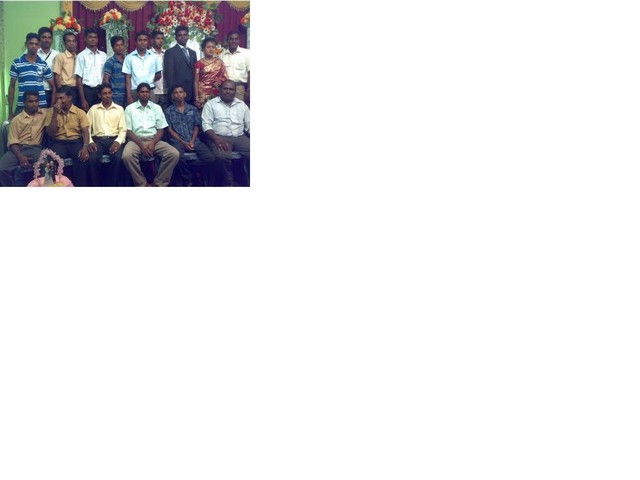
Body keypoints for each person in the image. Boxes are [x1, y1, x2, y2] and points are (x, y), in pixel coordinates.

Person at [122, 83, 179, 187]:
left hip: (154, 140)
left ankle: (158, 183)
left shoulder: (156, 108)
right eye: (142, 92)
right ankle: (142, 184)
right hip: (135, 141)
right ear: (138, 94)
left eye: (147, 92)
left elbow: (161, 129)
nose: (145, 94)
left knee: (173, 154)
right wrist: (141, 145)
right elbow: (128, 131)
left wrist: (153, 143)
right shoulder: (130, 108)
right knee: (126, 156)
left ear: (149, 93)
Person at [165, 84, 217, 186]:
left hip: (194, 140)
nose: (179, 94)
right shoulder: (168, 111)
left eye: (181, 92)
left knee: (210, 158)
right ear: (172, 96)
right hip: (177, 141)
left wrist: (192, 141)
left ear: (185, 94)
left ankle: (191, 168)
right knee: (177, 157)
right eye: (176, 93)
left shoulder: (193, 109)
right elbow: (169, 129)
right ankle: (188, 179)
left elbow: (196, 126)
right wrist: (183, 142)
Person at [202, 80, 250, 186]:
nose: (228, 91)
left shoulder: (242, 105)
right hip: (219, 137)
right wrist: (216, 139)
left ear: (235, 91)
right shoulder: (211, 104)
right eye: (225, 89)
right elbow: (206, 125)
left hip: (240, 137)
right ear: (220, 90)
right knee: (222, 157)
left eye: (231, 89)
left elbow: (249, 124)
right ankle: (228, 183)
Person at [45, 86, 92, 186]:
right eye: (57, 98)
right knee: (51, 159)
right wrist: (55, 114)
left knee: (82, 157)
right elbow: (50, 133)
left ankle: (80, 186)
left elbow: (85, 132)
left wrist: (85, 147)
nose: (58, 101)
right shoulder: (51, 112)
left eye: (61, 98)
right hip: (58, 142)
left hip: (75, 141)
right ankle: (53, 186)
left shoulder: (80, 112)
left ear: (69, 98)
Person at [0, 91, 48, 187]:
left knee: (45, 166)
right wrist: (20, 156)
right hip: (17, 149)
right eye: (30, 101)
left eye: (36, 101)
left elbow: (56, 109)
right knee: (2, 168)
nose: (34, 104)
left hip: (35, 148)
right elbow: (13, 141)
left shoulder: (44, 113)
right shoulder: (16, 120)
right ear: (24, 103)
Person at [86, 83, 126, 187]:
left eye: (109, 93)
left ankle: (112, 185)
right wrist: (90, 142)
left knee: (117, 158)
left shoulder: (119, 109)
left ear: (112, 94)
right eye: (104, 93)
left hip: (114, 140)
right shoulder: (93, 109)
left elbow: (123, 130)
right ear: (100, 95)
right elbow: (87, 129)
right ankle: (96, 186)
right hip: (97, 141)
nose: (107, 95)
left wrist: (118, 142)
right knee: (93, 158)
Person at [8, 33, 55, 119]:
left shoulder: (43, 64)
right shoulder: (17, 63)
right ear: (26, 44)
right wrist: (10, 110)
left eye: (36, 44)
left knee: (42, 128)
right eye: (31, 43)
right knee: (18, 127)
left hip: (41, 105)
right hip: (22, 105)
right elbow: (11, 86)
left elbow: (53, 86)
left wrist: (51, 108)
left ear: (39, 46)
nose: (34, 46)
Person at [122, 31, 162, 106]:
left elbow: (159, 75)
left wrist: (149, 80)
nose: (142, 42)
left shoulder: (154, 57)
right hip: (135, 91)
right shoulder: (129, 58)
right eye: (140, 40)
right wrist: (129, 96)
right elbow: (127, 79)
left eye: (145, 40)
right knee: (135, 112)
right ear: (135, 42)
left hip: (149, 90)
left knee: (151, 111)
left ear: (148, 42)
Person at [75, 27, 108, 111]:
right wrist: (83, 99)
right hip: (87, 91)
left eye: (95, 37)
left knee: (101, 113)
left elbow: (106, 75)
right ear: (85, 39)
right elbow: (79, 79)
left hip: (101, 90)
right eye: (90, 37)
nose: (93, 39)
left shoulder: (103, 55)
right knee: (88, 115)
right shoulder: (81, 56)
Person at [163, 25, 196, 104]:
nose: (183, 37)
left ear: (188, 36)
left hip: (191, 92)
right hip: (178, 93)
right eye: (180, 35)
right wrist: (172, 93)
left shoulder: (193, 53)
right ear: (176, 37)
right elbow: (169, 75)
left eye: (185, 35)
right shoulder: (170, 52)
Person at [194, 37, 227, 110]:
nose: (211, 49)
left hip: (216, 92)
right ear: (203, 49)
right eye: (208, 47)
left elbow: (225, 77)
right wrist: (197, 98)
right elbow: (196, 82)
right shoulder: (199, 63)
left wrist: (219, 81)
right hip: (203, 94)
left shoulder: (220, 62)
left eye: (213, 47)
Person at [220, 32, 250, 103]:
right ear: (227, 40)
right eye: (231, 39)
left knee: (239, 108)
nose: (234, 41)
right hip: (225, 89)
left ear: (239, 40)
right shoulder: (221, 55)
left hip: (239, 88)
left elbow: (250, 72)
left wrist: (249, 90)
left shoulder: (247, 53)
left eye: (236, 39)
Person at [53, 32, 80, 107]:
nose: (71, 43)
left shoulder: (78, 57)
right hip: (65, 88)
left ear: (76, 43)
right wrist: (61, 92)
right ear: (64, 43)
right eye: (69, 41)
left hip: (77, 89)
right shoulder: (60, 56)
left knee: (75, 111)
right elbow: (56, 76)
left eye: (73, 41)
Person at [35, 27, 59, 106]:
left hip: (51, 91)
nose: (47, 40)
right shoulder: (33, 53)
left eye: (49, 37)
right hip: (35, 91)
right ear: (39, 39)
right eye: (44, 37)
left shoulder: (57, 54)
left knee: (50, 112)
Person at [102, 35, 127, 107]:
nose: (120, 47)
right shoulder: (110, 62)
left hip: (128, 95)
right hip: (115, 97)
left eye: (121, 45)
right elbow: (106, 80)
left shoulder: (128, 60)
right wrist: (109, 95)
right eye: (117, 45)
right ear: (113, 48)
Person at [150, 30, 168, 109]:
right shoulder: (148, 54)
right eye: (158, 38)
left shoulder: (167, 53)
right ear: (152, 40)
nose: (160, 41)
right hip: (153, 90)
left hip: (166, 90)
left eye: (162, 38)